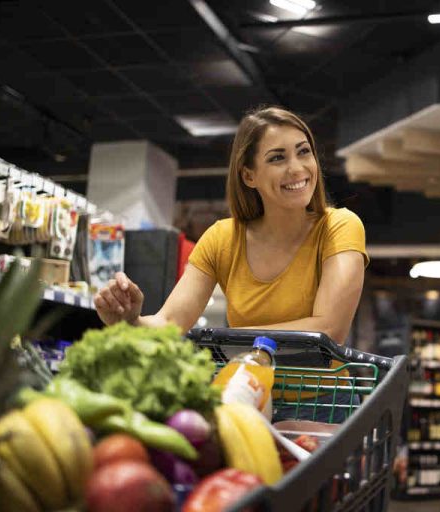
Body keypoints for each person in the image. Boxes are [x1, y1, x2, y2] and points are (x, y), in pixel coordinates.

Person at [93, 105, 369, 421]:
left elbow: (328, 330)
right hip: (244, 396)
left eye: (303, 152)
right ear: (249, 175)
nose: (297, 168)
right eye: (277, 157)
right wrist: (130, 321)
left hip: (323, 405)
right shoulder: (222, 238)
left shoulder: (339, 226)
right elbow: (170, 322)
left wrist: (224, 341)